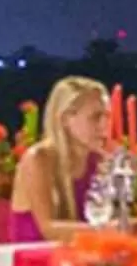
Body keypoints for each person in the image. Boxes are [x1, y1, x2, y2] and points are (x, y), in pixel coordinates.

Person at [8, 76, 114, 242]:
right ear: (65, 119)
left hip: (83, 256)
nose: (104, 126)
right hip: (33, 256)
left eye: (107, 117)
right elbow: (48, 229)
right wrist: (112, 230)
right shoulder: (39, 159)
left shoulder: (101, 162)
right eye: (95, 117)